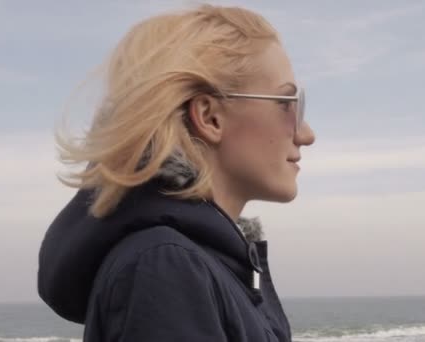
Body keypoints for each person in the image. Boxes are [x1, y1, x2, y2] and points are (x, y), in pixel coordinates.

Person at [37, 3, 315, 341]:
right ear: (210, 116)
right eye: (287, 103)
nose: (306, 133)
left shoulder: (205, 265)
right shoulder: (165, 266)